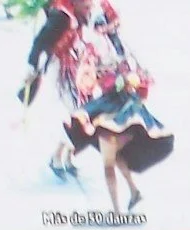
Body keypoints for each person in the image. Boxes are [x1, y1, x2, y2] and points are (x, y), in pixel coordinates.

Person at [22, 0, 172, 213]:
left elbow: (113, 36)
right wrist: (32, 67)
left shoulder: (99, 8)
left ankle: (62, 156)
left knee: (88, 115)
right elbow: (41, 42)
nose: (91, 5)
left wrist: (126, 65)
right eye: (86, 3)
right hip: (65, 70)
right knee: (80, 115)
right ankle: (58, 158)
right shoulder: (62, 15)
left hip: (87, 67)